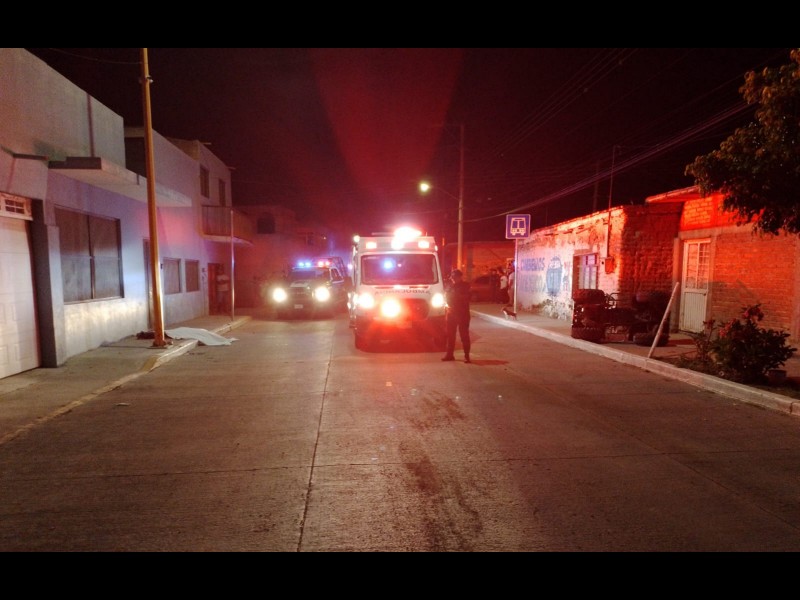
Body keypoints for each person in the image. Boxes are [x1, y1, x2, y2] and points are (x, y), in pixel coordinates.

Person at [442, 269, 472, 363]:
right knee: (450, 335)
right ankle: (449, 355)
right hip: (451, 313)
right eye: (452, 277)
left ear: (460, 277)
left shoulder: (465, 286)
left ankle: (466, 356)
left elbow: (467, 297)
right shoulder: (449, 286)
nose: (453, 278)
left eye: (455, 277)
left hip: (462, 314)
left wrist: (455, 296)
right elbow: (445, 296)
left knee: (464, 335)